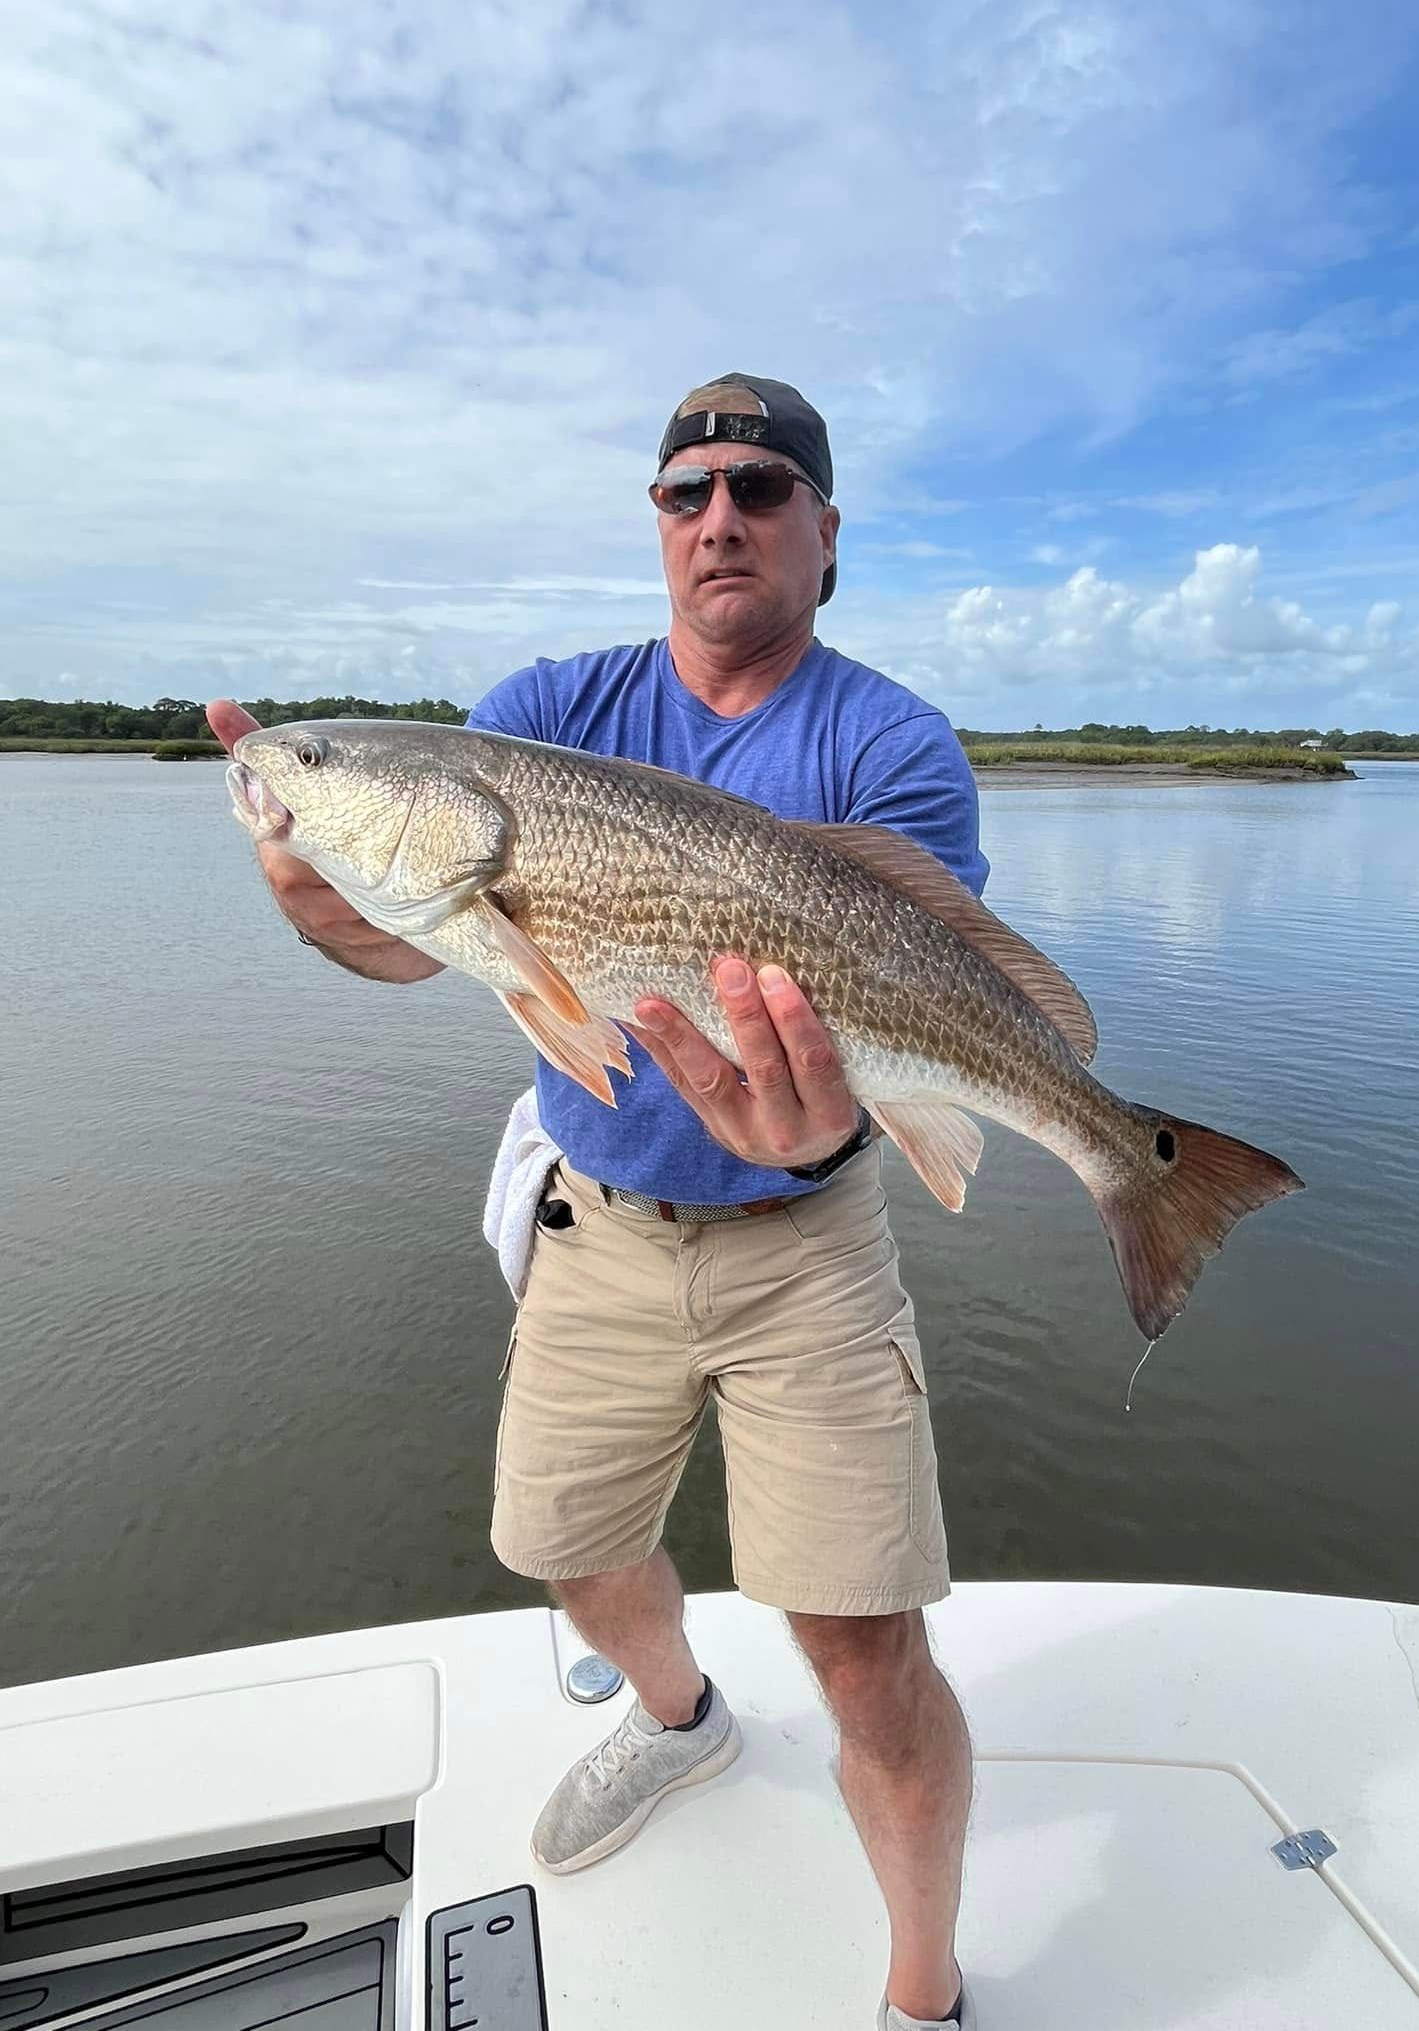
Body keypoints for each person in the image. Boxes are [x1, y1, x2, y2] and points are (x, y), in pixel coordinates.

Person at [209, 373, 985, 2030]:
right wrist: (313, 866)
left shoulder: (891, 742)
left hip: (814, 1240)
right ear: (656, 523)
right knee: (564, 1546)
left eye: (762, 488)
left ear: (824, 535)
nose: (720, 515)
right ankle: (682, 1715)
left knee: (863, 1650)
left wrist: (813, 1132)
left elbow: (916, 991)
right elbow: (414, 936)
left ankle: (927, 1989)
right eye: (686, 488)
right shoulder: (541, 715)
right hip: (598, 1221)